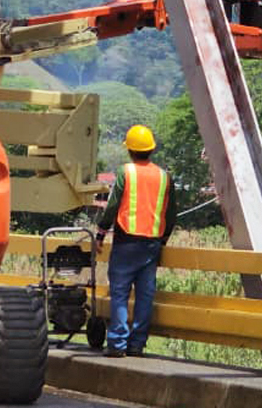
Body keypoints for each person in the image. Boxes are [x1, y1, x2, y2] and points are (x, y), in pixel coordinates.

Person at [95, 125, 175, 358]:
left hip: (126, 242)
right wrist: (164, 240)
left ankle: (117, 345)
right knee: (145, 295)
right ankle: (137, 344)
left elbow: (112, 206)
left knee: (119, 293)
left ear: (130, 150)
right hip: (152, 245)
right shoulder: (164, 176)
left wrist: (101, 232)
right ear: (151, 150)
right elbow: (171, 214)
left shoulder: (125, 173)